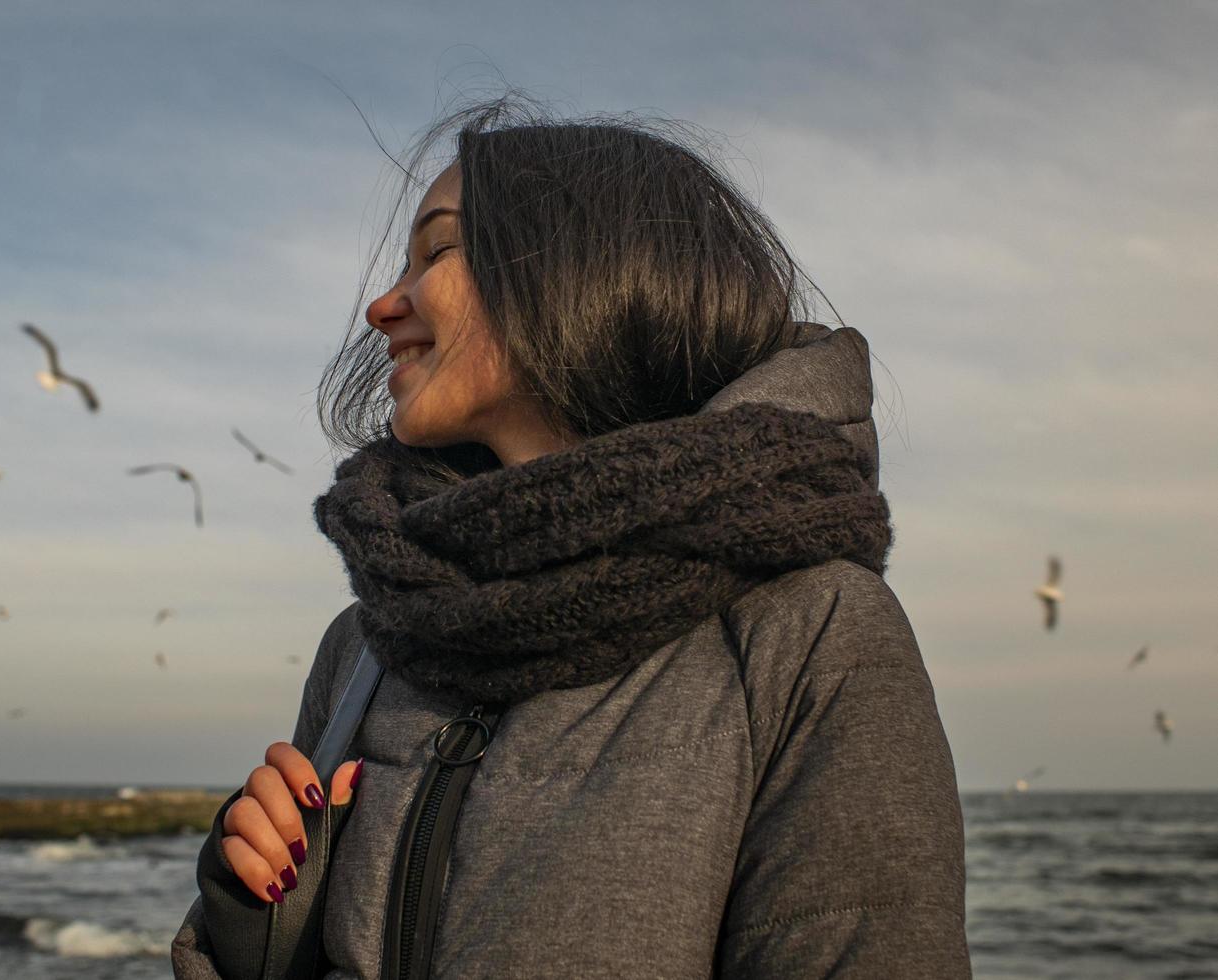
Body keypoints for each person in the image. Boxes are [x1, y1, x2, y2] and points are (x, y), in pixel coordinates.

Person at [172, 94, 971, 979]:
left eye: (437, 251)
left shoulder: (806, 629)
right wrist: (254, 928)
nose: (381, 306)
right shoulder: (370, 642)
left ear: (576, 271)